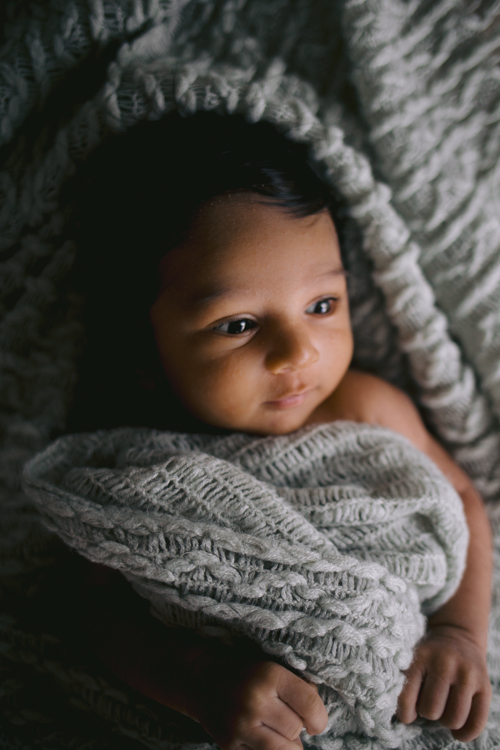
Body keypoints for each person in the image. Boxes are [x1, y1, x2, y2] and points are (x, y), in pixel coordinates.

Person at [67, 112, 493, 748]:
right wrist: (197, 679)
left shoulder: (363, 405)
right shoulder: (135, 470)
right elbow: (93, 613)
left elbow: (458, 499)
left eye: (322, 306)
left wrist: (459, 632)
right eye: (237, 324)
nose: (298, 352)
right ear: (143, 348)